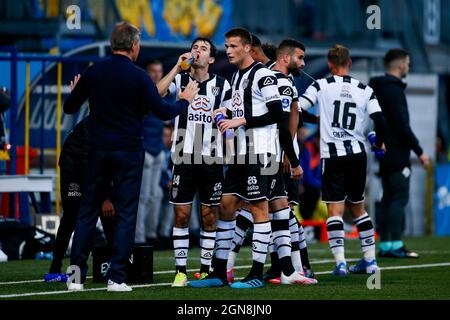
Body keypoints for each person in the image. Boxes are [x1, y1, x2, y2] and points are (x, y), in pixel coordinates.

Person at [63, 21, 199, 292]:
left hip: (97, 150)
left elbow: (69, 108)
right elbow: (162, 111)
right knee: (126, 214)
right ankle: (116, 278)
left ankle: (75, 278)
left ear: (114, 44)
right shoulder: (138, 77)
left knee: (87, 213)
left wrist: (77, 89)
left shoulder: (94, 73)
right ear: (134, 46)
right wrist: (184, 100)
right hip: (128, 152)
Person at [189, 27, 285, 289]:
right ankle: (220, 272)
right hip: (240, 153)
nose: (228, 51)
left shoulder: (264, 75)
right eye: (227, 46)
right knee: (226, 205)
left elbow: (278, 114)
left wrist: (240, 120)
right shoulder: (237, 78)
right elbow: (235, 106)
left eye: (233, 46)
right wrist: (222, 112)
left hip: (262, 151)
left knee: (258, 208)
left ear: (247, 48)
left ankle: (255, 273)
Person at [226, 38, 317, 285]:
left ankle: (295, 268)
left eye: (234, 47)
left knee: (272, 211)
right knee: (277, 209)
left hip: (273, 154)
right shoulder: (265, 78)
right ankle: (289, 269)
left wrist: (291, 156)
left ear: (252, 51)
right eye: (300, 57)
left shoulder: (277, 81)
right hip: (266, 153)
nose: (303, 63)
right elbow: (289, 117)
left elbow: (285, 120)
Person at [299, 44, 388, 276]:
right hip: (358, 155)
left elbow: (298, 108)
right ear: (349, 63)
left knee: (335, 211)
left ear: (329, 65)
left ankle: (340, 263)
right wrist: (379, 141)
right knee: (359, 209)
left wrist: (315, 118)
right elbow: (380, 119)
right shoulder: (364, 89)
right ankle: (371, 262)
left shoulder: (320, 84)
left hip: (333, 155)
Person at [157, 37, 230, 287]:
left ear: (210, 59)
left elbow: (231, 114)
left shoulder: (222, 85)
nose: (197, 51)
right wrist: (178, 67)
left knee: (210, 216)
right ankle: (180, 271)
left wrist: (223, 115)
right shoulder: (180, 80)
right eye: (194, 47)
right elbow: (156, 94)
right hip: (183, 157)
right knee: (181, 215)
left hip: (212, 158)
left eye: (203, 49)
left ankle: (206, 269)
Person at [369, 49, 430, 258]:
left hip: (384, 153)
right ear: (400, 64)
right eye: (408, 63)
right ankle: (395, 244)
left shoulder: (378, 88)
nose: (409, 67)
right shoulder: (394, 91)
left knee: (387, 199)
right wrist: (420, 151)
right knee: (398, 198)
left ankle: (386, 245)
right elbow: (402, 126)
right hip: (396, 154)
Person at [43, 118, 115, 283]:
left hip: (94, 168)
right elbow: (92, 164)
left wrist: (107, 197)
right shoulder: (97, 127)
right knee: (72, 216)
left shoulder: (117, 124)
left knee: (110, 214)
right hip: (74, 168)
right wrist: (103, 198)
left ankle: (114, 265)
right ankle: (55, 268)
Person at [135, 59, 166, 245]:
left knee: (156, 195)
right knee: (143, 196)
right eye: (153, 71)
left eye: (159, 71)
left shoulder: (164, 92)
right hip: (145, 148)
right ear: (147, 73)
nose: (156, 74)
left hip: (158, 150)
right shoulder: (144, 91)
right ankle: (139, 237)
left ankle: (152, 234)